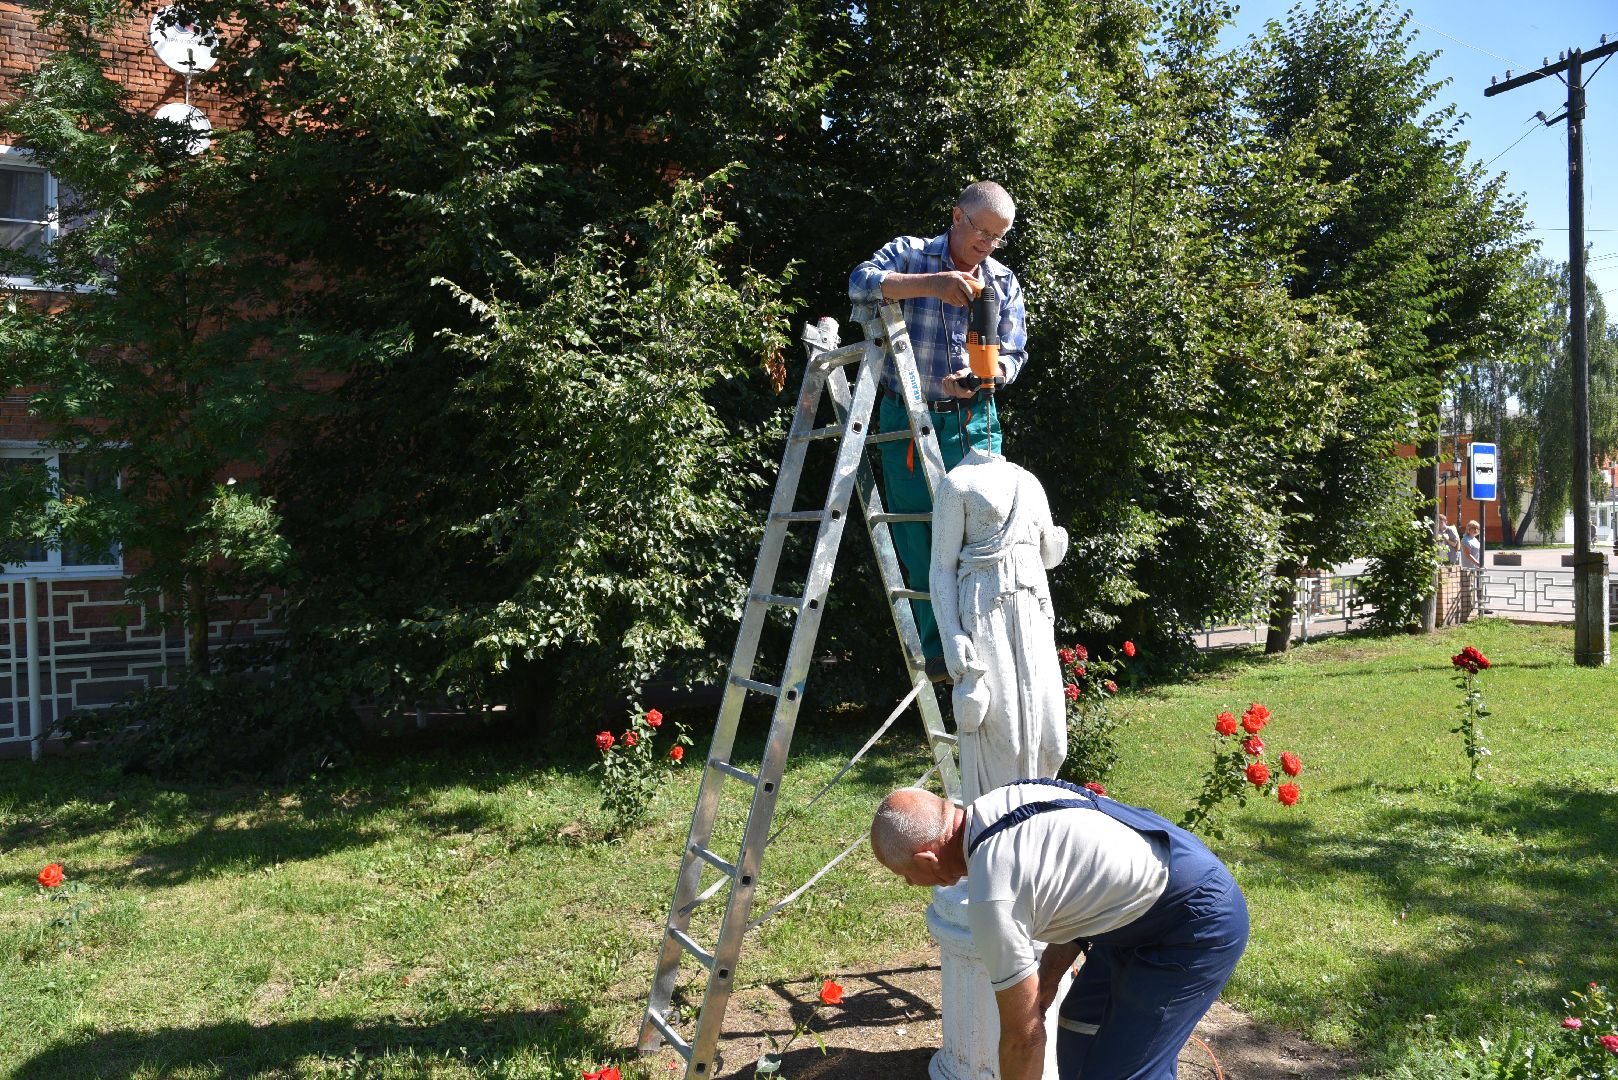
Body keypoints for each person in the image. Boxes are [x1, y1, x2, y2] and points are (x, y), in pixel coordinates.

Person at [871, 781, 1248, 1080]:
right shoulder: (1002, 800)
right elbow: (1075, 885)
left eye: (904, 873)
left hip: (1192, 921)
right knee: (1080, 1025)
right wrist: (1048, 977)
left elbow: (1024, 1038)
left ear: (926, 859)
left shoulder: (992, 896)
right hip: (1136, 909)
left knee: (1121, 1074)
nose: (907, 883)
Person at [849, 181, 1029, 683]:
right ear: (957, 216)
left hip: (975, 420)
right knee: (917, 532)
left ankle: (987, 642)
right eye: (982, 232)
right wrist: (931, 285)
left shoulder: (1003, 282)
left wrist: (983, 378)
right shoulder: (910, 255)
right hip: (906, 419)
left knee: (986, 533)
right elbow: (859, 283)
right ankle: (939, 652)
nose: (988, 245)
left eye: (999, 237)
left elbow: (1014, 353)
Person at [930, 449, 1068, 802]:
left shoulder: (1029, 483)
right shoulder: (956, 484)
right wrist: (951, 634)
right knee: (1005, 738)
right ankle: (995, 831)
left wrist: (1057, 541)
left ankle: (1040, 822)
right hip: (986, 609)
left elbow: (1049, 556)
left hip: (1034, 610)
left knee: (1052, 743)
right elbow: (941, 568)